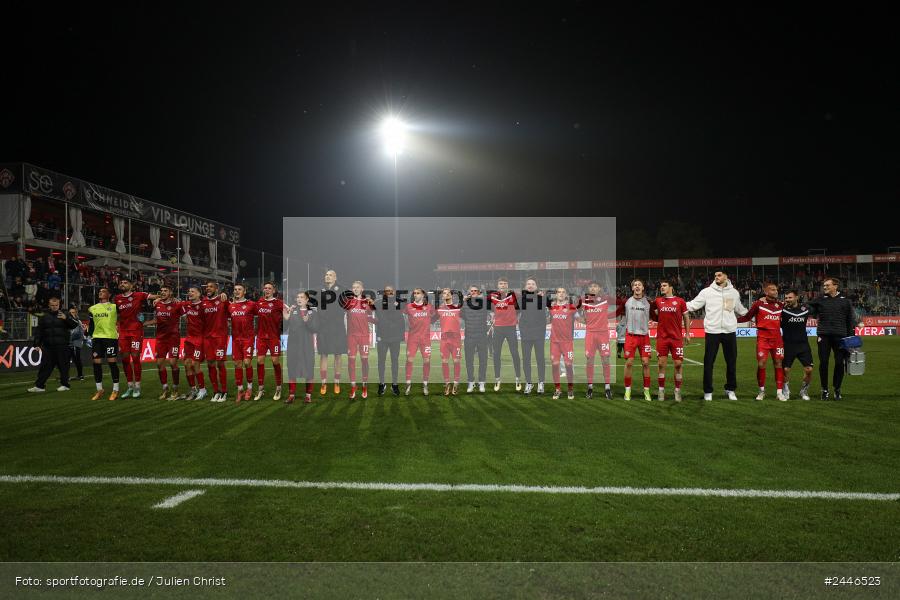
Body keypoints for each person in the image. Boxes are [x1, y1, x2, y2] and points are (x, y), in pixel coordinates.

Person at [686, 270, 748, 401]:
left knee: (731, 362)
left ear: (726, 276)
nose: (716, 277)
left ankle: (730, 389)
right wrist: (677, 304)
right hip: (712, 332)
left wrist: (755, 313)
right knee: (708, 363)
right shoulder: (706, 292)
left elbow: (740, 310)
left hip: (729, 332)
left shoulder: (734, 293)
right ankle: (708, 391)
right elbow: (693, 305)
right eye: (715, 276)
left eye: (719, 275)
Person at [808, 277, 857, 400]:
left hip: (841, 337)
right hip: (823, 336)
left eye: (827, 285)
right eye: (824, 286)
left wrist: (851, 339)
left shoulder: (845, 301)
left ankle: (837, 389)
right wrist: (813, 311)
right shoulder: (820, 299)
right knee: (823, 363)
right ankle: (824, 389)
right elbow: (808, 306)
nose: (825, 287)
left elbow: (850, 320)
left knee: (840, 363)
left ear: (835, 286)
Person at [737, 282, 786, 401]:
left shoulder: (781, 305)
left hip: (777, 339)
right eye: (773, 289)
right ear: (766, 292)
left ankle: (779, 392)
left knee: (778, 364)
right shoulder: (758, 304)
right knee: (761, 364)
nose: (776, 291)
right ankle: (761, 391)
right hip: (763, 338)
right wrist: (732, 320)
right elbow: (748, 317)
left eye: (776, 290)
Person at [113, 277, 157, 398]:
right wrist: (116, 326)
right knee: (125, 358)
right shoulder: (117, 299)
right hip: (123, 332)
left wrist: (159, 299)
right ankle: (129, 387)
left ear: (131, 286)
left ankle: (137, 386)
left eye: (125, 282)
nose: (122, 284)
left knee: (135, 357)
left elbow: (155, 296)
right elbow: (116, 315)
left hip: (136, 331)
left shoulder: (139, 295)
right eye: (121, 282)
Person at [27, 297, 81, 393]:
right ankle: (40, 386)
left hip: (62, 346)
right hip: (48, 346)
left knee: (63, 366)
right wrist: (37, 344)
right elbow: (39, 331)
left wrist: (66, 318)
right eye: (52, 305)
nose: (54, 307)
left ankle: (65, 385)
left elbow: (75, 325)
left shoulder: (65, 314)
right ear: (49, 305)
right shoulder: (44, 316)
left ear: (59, 305)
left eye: (56, 305)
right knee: (45, 367)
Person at [649, 279, 691, 402]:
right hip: (662, 337)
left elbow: (686, 317)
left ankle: (677, 390)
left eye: (664, 285)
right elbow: (653, 314)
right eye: (661, 286)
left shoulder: (680, 301)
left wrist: (687, 333)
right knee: (661, 364)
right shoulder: (658, 301)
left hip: (676, 338)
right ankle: (661, 390)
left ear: (670, 287)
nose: (662, 287)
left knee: (678, 364)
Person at [146, 285, 183, 400]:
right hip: (161, 338)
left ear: (171, 292)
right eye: (161, 291)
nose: (162, 292)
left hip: (173, 338)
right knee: (159, 364)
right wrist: (144, 323)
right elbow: (158, 319)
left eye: (165, 290)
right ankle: (165, 389)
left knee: (172, 363)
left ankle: (176, 389)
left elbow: (187, 315)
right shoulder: (157, 304)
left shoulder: (177, 305)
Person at [284, 290, 319, 404]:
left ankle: (308, 395)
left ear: (307, 300)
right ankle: (291, 395)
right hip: (293, 345)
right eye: (297, 297)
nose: (299, 299)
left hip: (307, 346)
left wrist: (307, 321)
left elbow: (315, 329)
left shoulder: (312, 313)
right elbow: (283, 329)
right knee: (292, 369)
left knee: (309, 369)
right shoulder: (292, 310)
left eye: (302, 297)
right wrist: (286, 318)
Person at [580, 281, 613, 399]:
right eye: (591, 286)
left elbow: (622, 304)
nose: (593, 288)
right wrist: (582, 320)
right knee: (589, 360)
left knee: (605, 360)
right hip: (590, 334)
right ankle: (590, 387)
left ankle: (607, 388)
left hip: (603, 334)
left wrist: (611, 316)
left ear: (599, 288)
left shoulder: (606, 299)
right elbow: (576, 312)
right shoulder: (584, 300)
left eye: (595, 286)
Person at [86, 288, 121, 400]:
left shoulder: (114, 307)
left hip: (110, 338)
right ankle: (99, 390)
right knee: (96, 363)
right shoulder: (92, 308)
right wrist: (88, 335)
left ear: (109, 294)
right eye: (100, 291)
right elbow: (91, 325)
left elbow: (125, 317)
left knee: (112, 363)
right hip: (97, 338)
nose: (100, 292)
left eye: (104, 291)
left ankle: (115, 390)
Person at [488, 277, 522, 391]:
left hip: (511, 328)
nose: (502, 285)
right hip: (498, 329)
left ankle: (518, 379)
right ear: (498, 285)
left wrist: (514, 316)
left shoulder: (515, 295)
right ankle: (497, 380)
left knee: (515, 354)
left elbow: (520, 307)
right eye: (501, 284)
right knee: (496, 354)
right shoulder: (492, 296)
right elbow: (488, 307)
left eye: (504, 283)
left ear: (507, 285)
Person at [344, 280, 375, 399]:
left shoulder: (367, 302)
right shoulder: (348, 302)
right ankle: (353, 386)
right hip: (351, 336)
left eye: (357, 287)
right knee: (351, 360)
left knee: (364, 361)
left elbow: (374, 313)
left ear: (362, 289)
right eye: (353, 287)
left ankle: (364, 386)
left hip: (364, 336)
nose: (355, 289)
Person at [317, 270, 347, 395]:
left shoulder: (343, 290)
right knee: (323, 354)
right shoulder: (320, 290)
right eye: (326, 275)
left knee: (338, 355)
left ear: (335, 277)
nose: (327, 276)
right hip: (323, 328)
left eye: (330, 275)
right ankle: (323, 383)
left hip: (337, 327)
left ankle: (336, 382)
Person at [622, 279, 652, 401]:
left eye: (639, 284)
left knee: (645, 363)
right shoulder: (627, 302)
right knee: (629, 363)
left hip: (644, 336)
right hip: (631, 336)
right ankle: (627, 390)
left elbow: (656, 314)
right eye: (635, 285)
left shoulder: (648, 303)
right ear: (632, 288)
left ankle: (646, 391)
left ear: (643, 287)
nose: (637, 286)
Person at [781, 290, 814, 401]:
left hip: (803, 344)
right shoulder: (782, 311)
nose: (787, 300)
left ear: (796, 297)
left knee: (809, 370)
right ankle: (786, 391)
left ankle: (803, 391)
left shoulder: (805, 310)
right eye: (786, 298)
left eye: (790, 297)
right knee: (785, 370)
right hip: (787, 344)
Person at [254, 282, 285, 401]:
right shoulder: (259, 303)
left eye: (269, 288)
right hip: (261, 337)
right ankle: (261, 388)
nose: (266, 290)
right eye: (265, 288)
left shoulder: (278, 303)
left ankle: (278, 388)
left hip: (273, 337)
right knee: (260, 361)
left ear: (274, 290)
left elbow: (288, 314)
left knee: (275, 361)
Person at [518, 277, 548, 395]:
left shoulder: (543, 298)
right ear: (525, 287)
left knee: (540, 359)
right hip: (525, 333)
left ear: (536, 286)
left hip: (539, 333)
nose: (530, 285)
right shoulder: (520, 300)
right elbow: (512, 312)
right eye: (528, 284)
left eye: (533, 284)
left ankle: (541, 382)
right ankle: (529, 383)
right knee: (526, 360)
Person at [202, 281, 230, 403]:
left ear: (216, 289)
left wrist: (226, 297)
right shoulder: (203, 302)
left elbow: (232, 312)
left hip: (220, 337)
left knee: (220, 364)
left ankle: (224, 391)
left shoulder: (223, 300)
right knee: (210, 364)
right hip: (207, 338)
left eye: (211, 287)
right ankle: (216, 391)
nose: (208, 288)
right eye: (207, 287)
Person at [228, 283, 257, 403]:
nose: (237, 291)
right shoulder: (230, 306)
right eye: (235, 289)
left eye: (239, 289)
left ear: (244, 291)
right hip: (235, 339)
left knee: (246, 362)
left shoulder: (251, 305)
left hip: (248, 338)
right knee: (237, 364)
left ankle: (249, 388)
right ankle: (240, 390)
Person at [404, 288, 436, 395]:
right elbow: (399, 315)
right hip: (412, 338)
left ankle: (425, 384)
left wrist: (428, 324)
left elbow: (435, 316)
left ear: (423, 295)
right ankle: (408, 384)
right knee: (409, 360)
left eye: (418, 293)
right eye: (414, 293)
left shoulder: (429, 307)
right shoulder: (408, 307)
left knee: (427, 361)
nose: (416, 295)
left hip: (425, 339)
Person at [374, 285, 405, 396]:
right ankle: (382, 384)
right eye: (387, 290)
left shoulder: (401, 303)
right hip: (382, 337)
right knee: (381, 361)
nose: (389, 292)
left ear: (394, 292)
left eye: (391, 290)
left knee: (394, 361)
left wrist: (401, 335)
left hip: (395, 337)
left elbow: (402, 319)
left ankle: (394, 385)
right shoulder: (377, 303)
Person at [180, 286, 209, 400]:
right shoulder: (186, 305)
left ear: (199, 294)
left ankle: (203, 390)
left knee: (194, 364)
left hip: (200, 339)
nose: (190, 293)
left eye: (193, 291)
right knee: (187, 364)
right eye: (189, 291)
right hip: (189, 339)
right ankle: (193, 389)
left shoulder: (204, 305)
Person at [548, 287, 577, 400]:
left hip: (567, 342)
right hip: (554, 342)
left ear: (566, 295)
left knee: (568, 365)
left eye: (563, 292)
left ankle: (570, 389)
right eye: (558, 292)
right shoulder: (551, 307)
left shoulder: (572, 308)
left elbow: (580, 319)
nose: (561, 294)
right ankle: (557, 390)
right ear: (556, 294)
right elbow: (548, 320)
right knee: (555, 364)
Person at [461, 285, 489, 393]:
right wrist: (463, 302)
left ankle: (481, 382)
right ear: (469, 292)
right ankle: (471, 382)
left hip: (482, 336)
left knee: (483, 361)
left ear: (479, 292)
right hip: (469, 336)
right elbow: (461, 314)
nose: (473, 292)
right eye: (471, 291)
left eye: (475, 291)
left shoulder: (484, 303)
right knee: (469, 361)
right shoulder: (465, 304)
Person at [437, 288, 462, 396]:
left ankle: (455, 384)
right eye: (444, 293)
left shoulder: (458, 308)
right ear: (442, 296)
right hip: (444, 339)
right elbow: (429, 319)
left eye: (448, 293)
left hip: (456, 339)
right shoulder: (439, 309)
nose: (446, 294)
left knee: (456, 361)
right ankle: (447, 384)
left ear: (452, 296)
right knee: (444, 362)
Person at [68, 305, 86, 381]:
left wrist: (81, 340)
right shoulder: (67, 321)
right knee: (68, 359)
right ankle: (66, 376)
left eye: (73, 312)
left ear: (75, 313)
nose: (72, 314)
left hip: (76, 342)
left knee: (77, 359)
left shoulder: (78, 321)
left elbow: (80, 333)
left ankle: (80, 375)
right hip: (70, 342)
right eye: (70, 312)